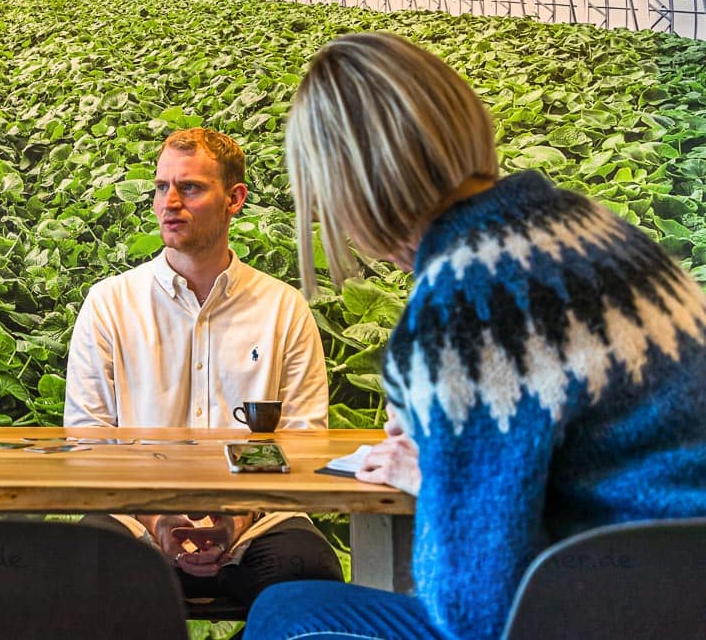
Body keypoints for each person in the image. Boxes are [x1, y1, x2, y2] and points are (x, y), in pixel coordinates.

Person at [245, 32, 706, 640]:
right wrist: (453, 464)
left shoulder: (462, 303)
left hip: (602, 614)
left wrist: (439, 481)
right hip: (677, 595)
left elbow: (474, 608)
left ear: (350, 186)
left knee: (284, 615)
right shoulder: (597, 229)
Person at [65, 127, 343, 606]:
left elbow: (303, 443)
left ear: (234, 199)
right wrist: (159, 521)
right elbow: (88, 437)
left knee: (310, 573)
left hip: (259, 523)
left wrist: (236, 519)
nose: (169, 202)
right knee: (82, 568)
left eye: (189, 187)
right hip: (136, 519)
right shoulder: (109, 304)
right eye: (160, 187)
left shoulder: (283, 308)